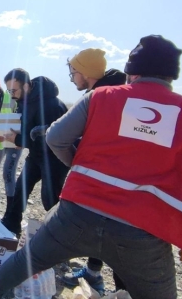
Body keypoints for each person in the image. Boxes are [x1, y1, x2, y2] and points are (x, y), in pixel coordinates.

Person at [0, 35, 182, 299]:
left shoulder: (100, 97)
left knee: (29, 259)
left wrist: (80, 168)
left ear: (131, 72)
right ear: (172, 76)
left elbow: (55, 137)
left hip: (76, 215)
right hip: (144, 234)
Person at [60, 48, 127, 292]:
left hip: (113, 179)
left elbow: (59, 137)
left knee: (119, 242)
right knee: (106, 236)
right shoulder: (112, 91)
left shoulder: (101, 97)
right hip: (114, 175)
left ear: (85, 72)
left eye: (73, 72)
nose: (72, 77)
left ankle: (122, 292)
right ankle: (93, 273)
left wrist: (73, 161)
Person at [0, 68, 69, 236]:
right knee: (20, 189)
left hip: (54, 159)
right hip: (36, 156)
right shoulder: (24, 101)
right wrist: (11, 136)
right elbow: (26, 130)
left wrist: (17, 140)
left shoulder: (51, 105)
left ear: (27, 86)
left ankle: (62, 236)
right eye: (8, 91)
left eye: (13, 90)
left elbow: (50, 139)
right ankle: (11, 225)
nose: (11, 94)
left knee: (50, 199)